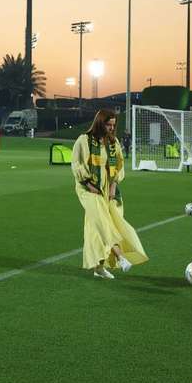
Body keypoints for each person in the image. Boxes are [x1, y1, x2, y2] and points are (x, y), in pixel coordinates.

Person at [71, 109, 148, 279]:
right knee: (103, 222)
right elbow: (76, 164)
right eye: (108, 124)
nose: (111, 128)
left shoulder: (114, 143)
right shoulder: (84, 140)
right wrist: (87, 183)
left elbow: (119, 167)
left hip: (109, 190)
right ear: (100, 123)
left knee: (98, 226)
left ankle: (98, 267)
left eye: (113, 125)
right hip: (89, 189)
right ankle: (121, 257)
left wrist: (113, 185)